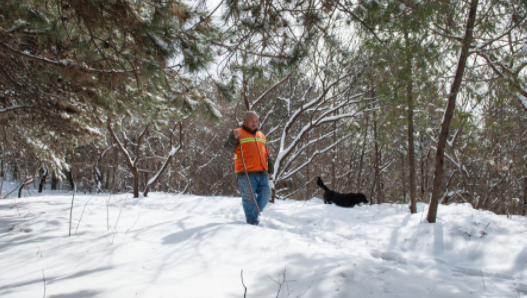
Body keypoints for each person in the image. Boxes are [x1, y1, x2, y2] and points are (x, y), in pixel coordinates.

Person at [224, 111, 274, 225]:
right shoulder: (237, 133)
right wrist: (233, 138)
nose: (254, 123)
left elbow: (267, 153)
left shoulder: (261, 135)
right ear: (244, 120)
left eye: (256, 121)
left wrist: (270, 169)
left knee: (267, 194)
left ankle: (254, 214)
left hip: (262, 172)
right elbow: (228, 148)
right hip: (245, 173)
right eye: (252, 120)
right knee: (249, 197)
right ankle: (252, 222)